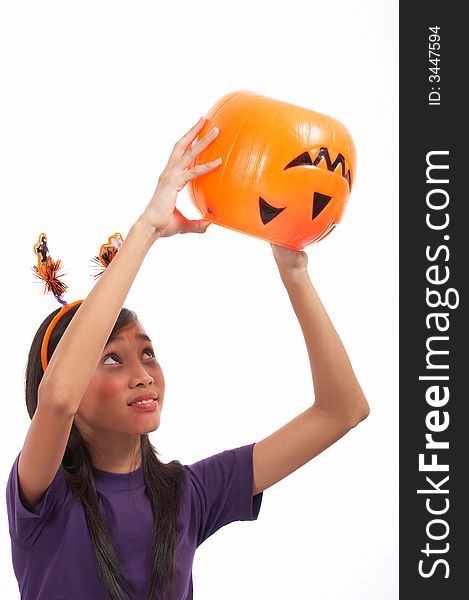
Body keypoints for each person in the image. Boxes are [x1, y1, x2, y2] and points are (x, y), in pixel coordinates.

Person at [5, 116, 370, 600]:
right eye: (111, 359)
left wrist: (295, 271)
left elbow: (342, 411)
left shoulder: (189, 494)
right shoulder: (40, 495)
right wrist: (150, 227)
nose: (143, 376)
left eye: (148, 353)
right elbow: (57, 402)